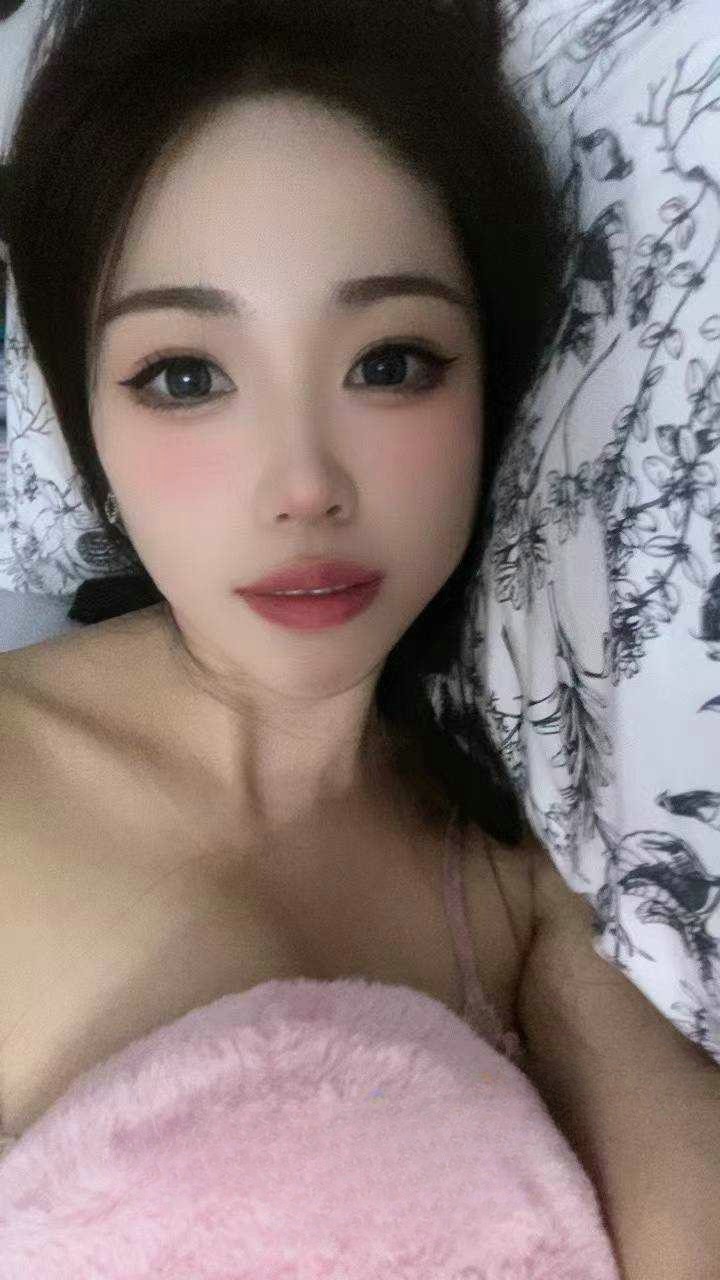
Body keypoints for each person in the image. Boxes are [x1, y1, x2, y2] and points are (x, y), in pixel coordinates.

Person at [0, 0, 717, 1274]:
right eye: (185, 375)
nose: (304, 485)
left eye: (391, 363)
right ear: (84, 423)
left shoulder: (524, 878)